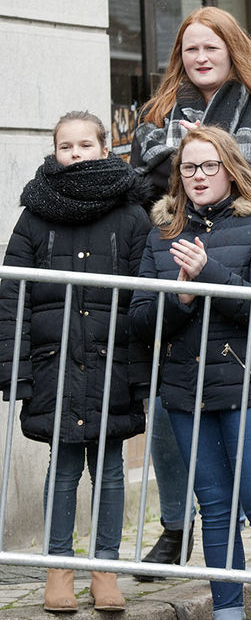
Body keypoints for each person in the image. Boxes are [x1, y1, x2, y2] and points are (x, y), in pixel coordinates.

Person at [130, 5, 251, 575]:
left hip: (241, 255)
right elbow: (145, 187)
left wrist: (220, 157)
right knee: (169, 402)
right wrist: (183, 166)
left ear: (233, 52)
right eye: (191, 49)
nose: (200, 59)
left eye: (212, 49)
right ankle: (177, 524)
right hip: (171, 251)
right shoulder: (156, 113)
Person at [129, 126, 251, 620]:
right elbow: (142, 320)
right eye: (188, 167)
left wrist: (209, 275)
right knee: (215, 510)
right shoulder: (161, 232)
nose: (198, 176)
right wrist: (182, 300)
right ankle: (228, 612)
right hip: (187, 393)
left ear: (230, 169)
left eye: (209, 166)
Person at [0, 111, 153, 612]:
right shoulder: (35, 214)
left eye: (86, 145)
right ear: (54, 152)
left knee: (110, 470)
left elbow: (144, 295)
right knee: (63, 469)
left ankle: (104, 571)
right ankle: (58, 569)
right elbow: (12, 295)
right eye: (66, 146)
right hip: (55, 364)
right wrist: (14, 369)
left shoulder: (132, 215)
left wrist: (142, 369)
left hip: (113, 362)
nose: (75, 154)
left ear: (105, 149)